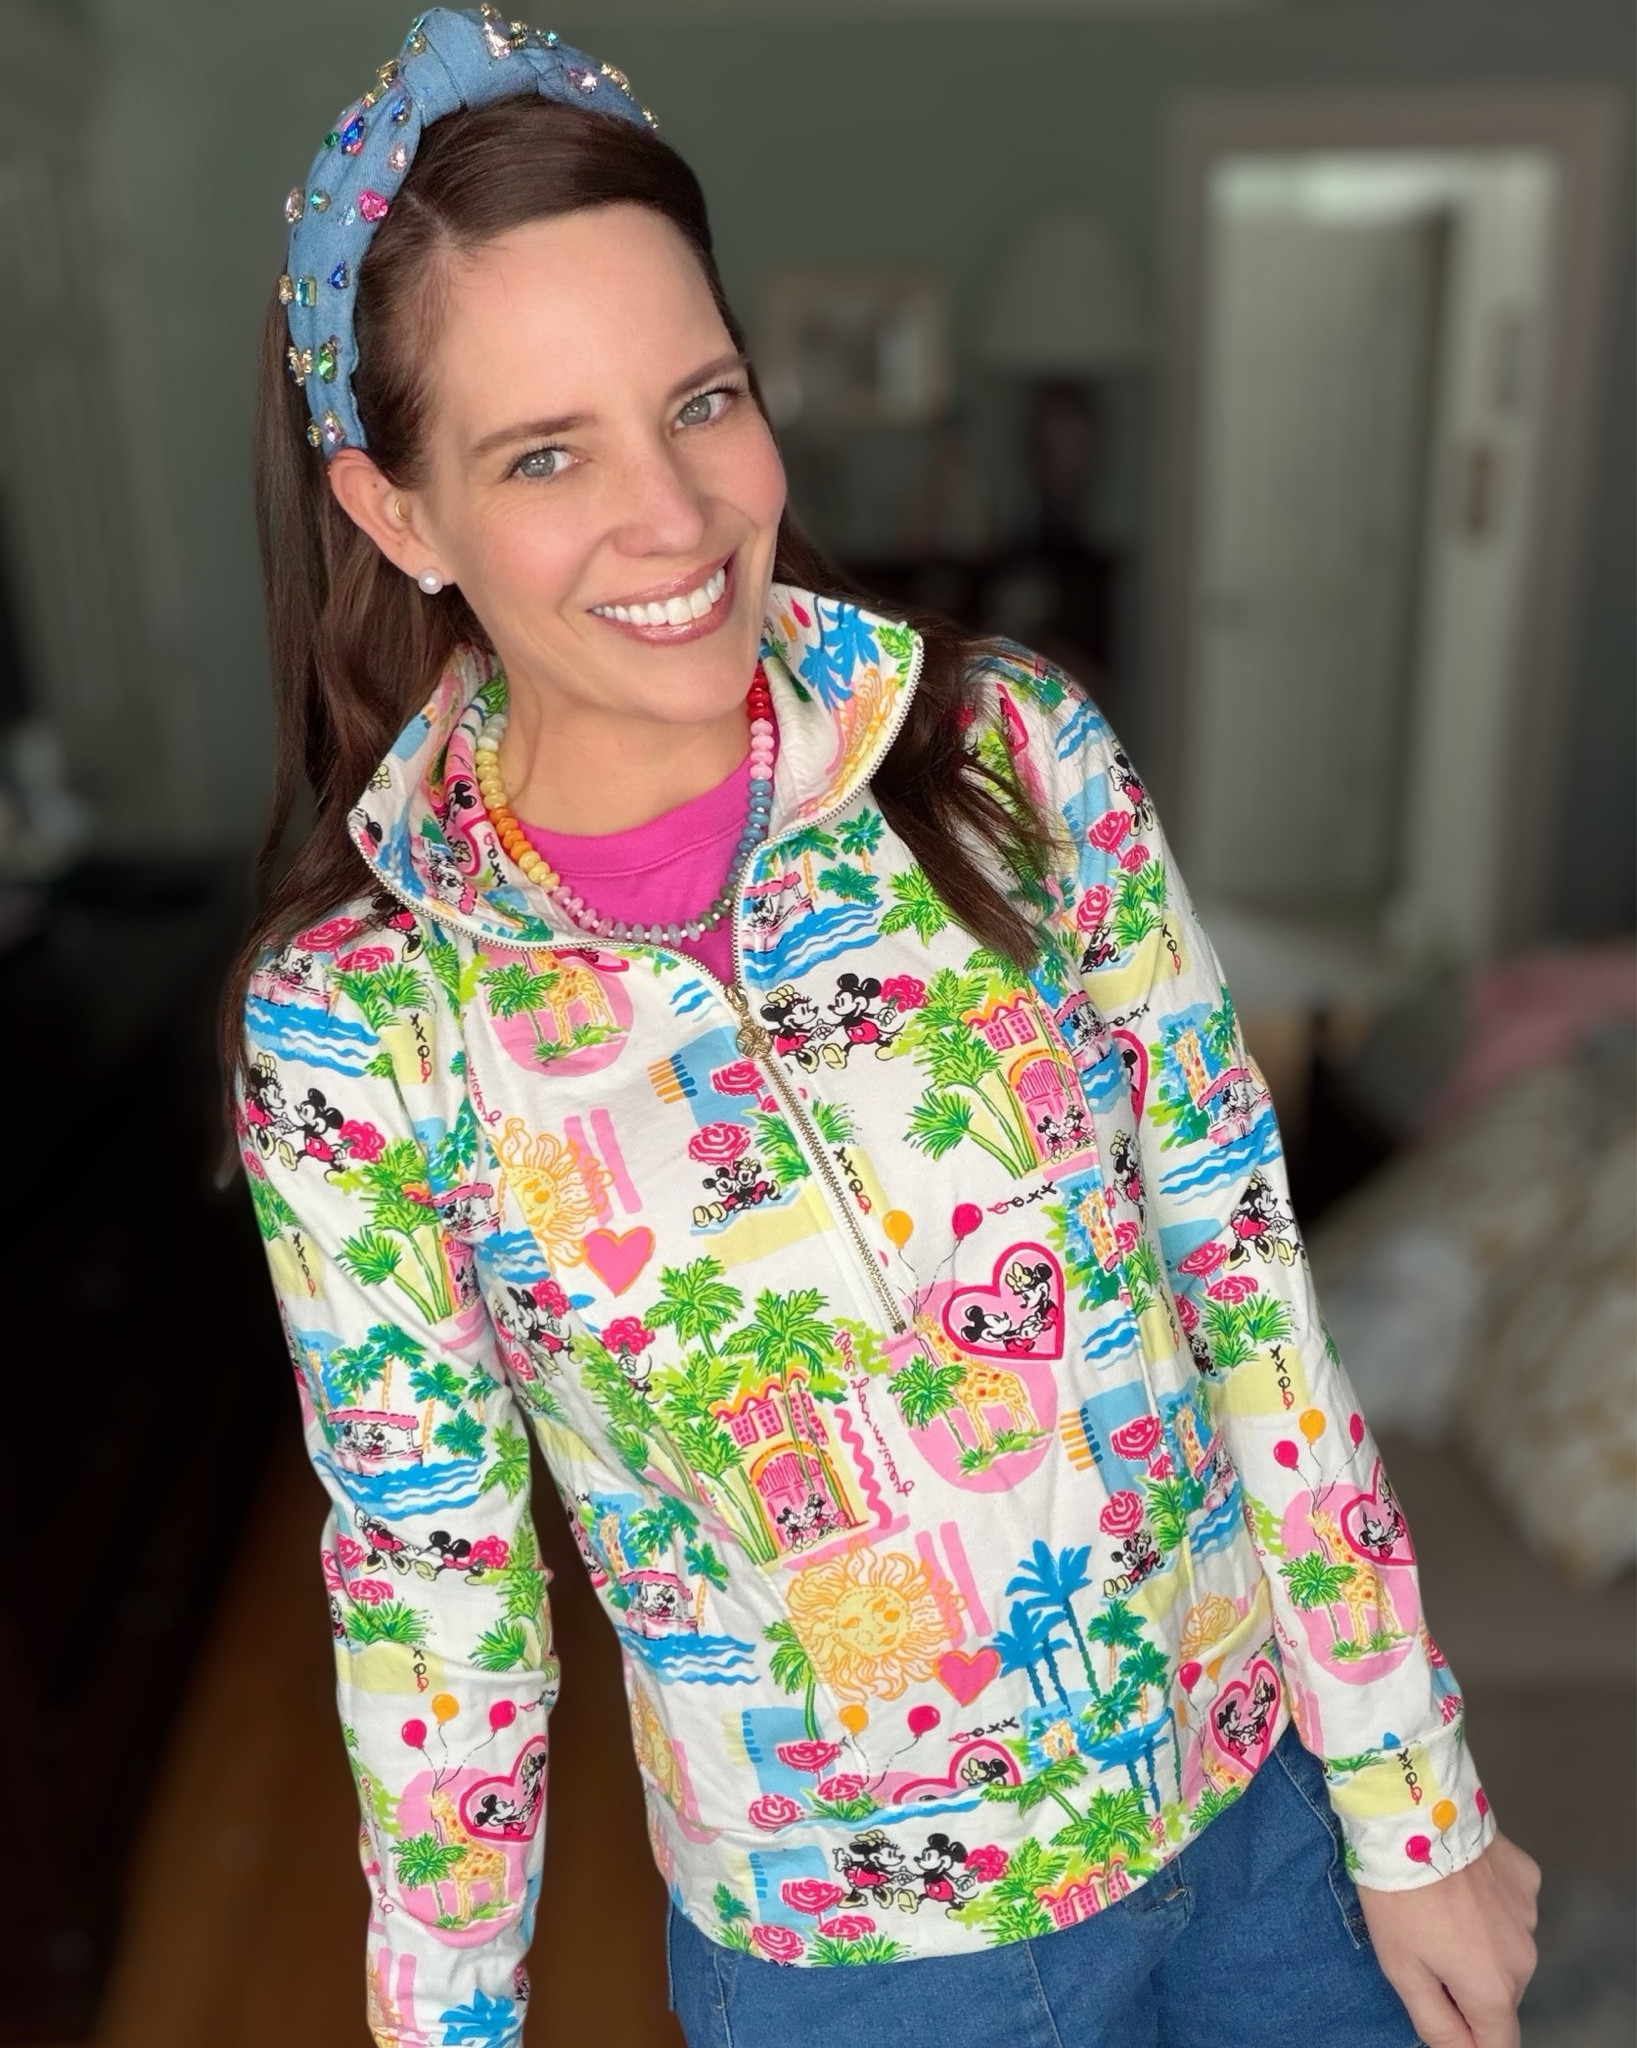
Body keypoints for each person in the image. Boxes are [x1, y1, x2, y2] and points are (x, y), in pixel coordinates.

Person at [230, 11, 1539, 2047]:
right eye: (545, 452)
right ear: (402, 516)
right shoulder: (361, 1024)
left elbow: (1246, 1282)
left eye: (704, 401)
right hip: (862, 1971)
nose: (673, 518)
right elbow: (435, 1589)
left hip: (1265, 1831)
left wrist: (1413, 1788)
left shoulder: (1020, 759)